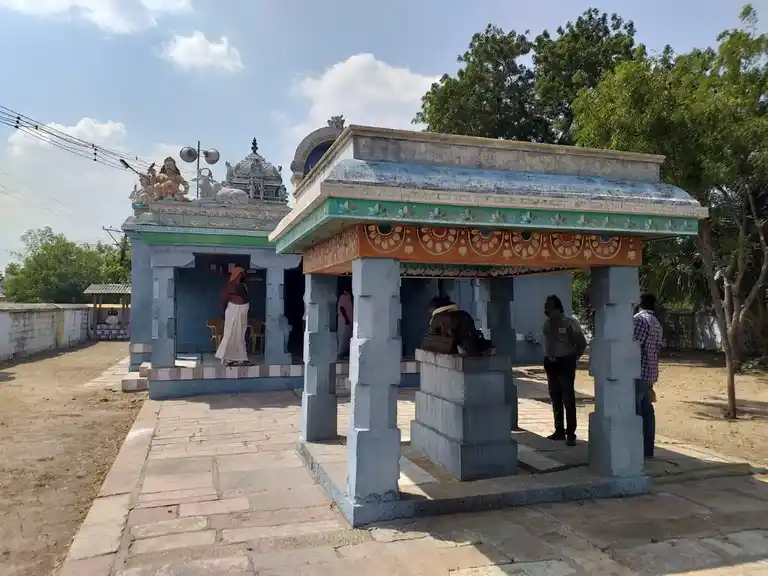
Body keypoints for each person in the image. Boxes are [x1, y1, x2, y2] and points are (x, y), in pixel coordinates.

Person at [542, 294, 587, 446]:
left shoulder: (570, 323)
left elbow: (581, 343)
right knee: (555, 397)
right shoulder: (547, 324)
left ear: (557, 308)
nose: (546, 309)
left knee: (568, 398)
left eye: (548, 306)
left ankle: (571, 434)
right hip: (551, 363)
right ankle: (559, 430)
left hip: (565, 362)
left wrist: (574, 358)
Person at [633, 292, 663, 460]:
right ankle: (648, 450)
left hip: (638, 372)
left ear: (639, 302)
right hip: (650, 373)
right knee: (648, 413)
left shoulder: (639, 320)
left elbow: (634, 345)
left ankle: (637, 449)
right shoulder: (656, 323)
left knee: (637, 413)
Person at [215, 266, 252, 367]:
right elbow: (223, 300)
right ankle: (227, 357)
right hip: (233, 311)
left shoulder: (244, 286)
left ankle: (242, 358)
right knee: (230, 333)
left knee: (240, 335)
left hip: (242, 312)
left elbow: (246, 298)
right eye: (241, 274)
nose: (243, 276)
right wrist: (225, 312)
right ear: (236, 275)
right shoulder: (230, 286)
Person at [337, 289, 353, 359]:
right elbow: (341, 308)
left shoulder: (349, 296)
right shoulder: (343, 297)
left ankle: (346, 353)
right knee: (343, 336)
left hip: (350, 320)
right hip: (344, 320)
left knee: (348, 336)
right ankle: (341, 353)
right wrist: (346, 318)